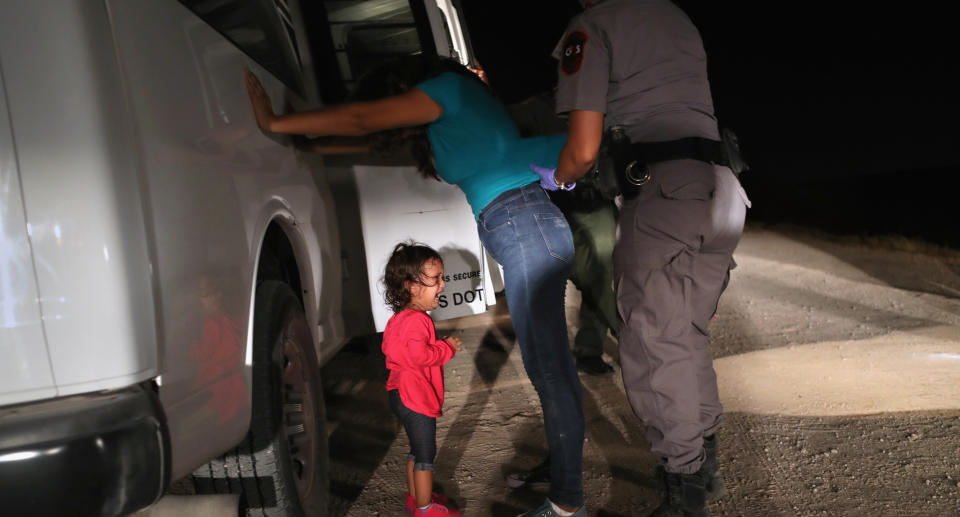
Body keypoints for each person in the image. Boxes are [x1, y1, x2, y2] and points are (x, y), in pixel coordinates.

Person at [245, 55, 587, 516]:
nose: (397, 109)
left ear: (404, 85)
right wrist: (303, 144)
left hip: (525, 222)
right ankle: (566, 492)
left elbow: (363, 118)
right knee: (548, 368)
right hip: (516, 226)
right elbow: (368, 139)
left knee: (549, 370)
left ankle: (567, 505)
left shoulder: (451, 89)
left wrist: (274, 119)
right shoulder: (447, 123)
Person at [534, 1, 751, 515]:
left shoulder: (592, 26)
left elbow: (584, 149)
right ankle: (706, 467)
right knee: (687, 338)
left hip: (662, 191)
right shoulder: (676, 14)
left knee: (654, 346)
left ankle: (684, 490)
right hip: (724, 189)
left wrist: (560, 177)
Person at [508, 90, 619, 377]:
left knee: (600, 274)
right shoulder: (533, 108)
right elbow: (506, 142)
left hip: (594, 200)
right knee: (552, 276)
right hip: (548, 201)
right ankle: (632, 336)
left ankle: (591, 349)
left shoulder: (601, 104)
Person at [381, 243, 463, 516]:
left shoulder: (399, 319)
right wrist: (446, 347)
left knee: (415, 451)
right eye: (436, 278)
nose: (442, 284)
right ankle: (426, 509)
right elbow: (420, 356)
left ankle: (415, 498)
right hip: (415, 397)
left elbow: (393, 351)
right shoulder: (418, 321)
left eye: (442, 277)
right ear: (412, 286)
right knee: (426, 455)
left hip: (399, 393)